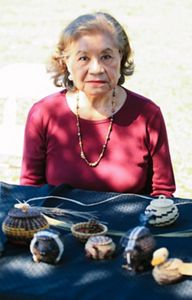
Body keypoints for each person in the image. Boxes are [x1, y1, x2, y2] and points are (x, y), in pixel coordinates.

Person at [20, 12, 176, 197]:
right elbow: (30, 191)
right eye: (83, 58)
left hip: (129, 225)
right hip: (58, 224)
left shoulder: (147, 115)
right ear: (66, 63)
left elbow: (162, 192)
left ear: (121, 58)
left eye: (106, 56)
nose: (96, 69)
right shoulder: (44, 114)